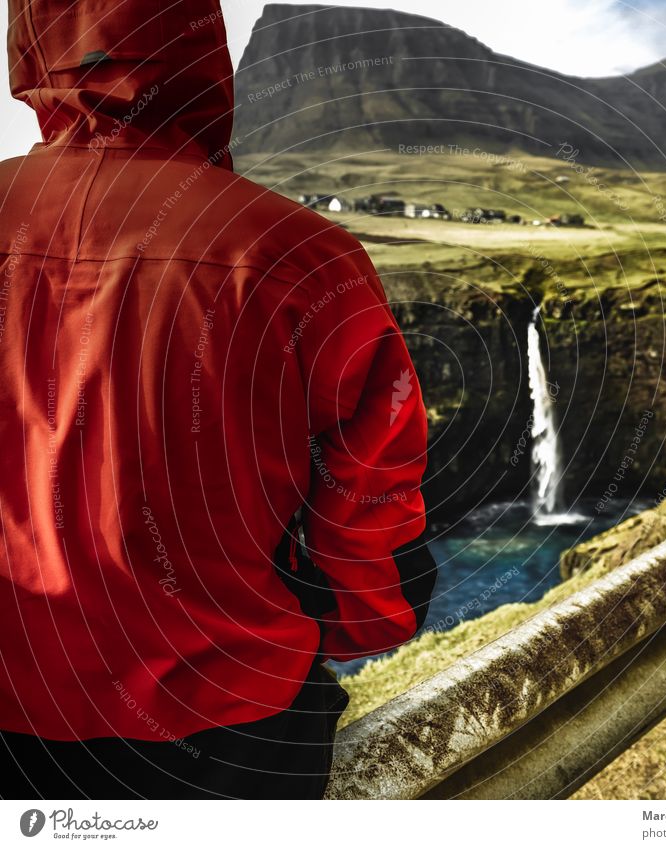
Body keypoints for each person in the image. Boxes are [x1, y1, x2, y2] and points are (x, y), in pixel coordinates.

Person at [0, 0, 436, 799]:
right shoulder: (304, 255)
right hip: (228, 723)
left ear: (31, 48)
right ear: (200, 50)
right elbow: (370, 498)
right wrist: (358, 620)